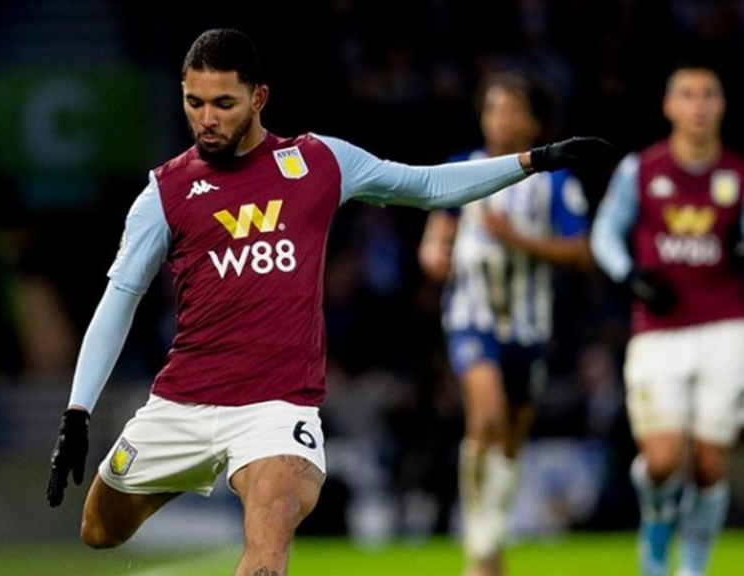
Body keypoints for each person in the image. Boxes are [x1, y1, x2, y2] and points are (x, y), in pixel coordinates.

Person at [46, 28, 615, 576]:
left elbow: (426, 185)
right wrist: (77, 412)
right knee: (100, 529)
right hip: (183, 403)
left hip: (277, 410)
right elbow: (119, 298)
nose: (207, 119)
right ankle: (184, 470)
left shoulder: (318, 162)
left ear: (259, 97)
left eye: (223, 102)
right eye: (195, 103)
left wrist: (531, 160)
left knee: (267, 553)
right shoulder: (164, 193)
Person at [418, 71, 593, 576]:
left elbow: (579, 253)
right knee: (487, 416)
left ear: (533, 121)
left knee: (510, 441)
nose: (501, 120)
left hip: (529, 326)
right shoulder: (462, 169)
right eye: (493, 109)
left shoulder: (555, 181)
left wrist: (516, 238)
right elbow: (437, 232)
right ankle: (480, 548)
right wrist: (434, 254)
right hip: (472, 319)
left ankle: (491, 546)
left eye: (512, 110)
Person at [591, 63, 744, 576]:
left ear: (721, 105)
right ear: (669, 106)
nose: (698, 105)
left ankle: (693, 567)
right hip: (659, 333)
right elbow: (605, 234)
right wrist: (630, 275)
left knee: (708, 466)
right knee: (661, 462)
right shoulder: (643, 169)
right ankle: (655, 536)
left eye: (708, 95)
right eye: (687, 95)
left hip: (727, 328)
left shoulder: (738, 174)